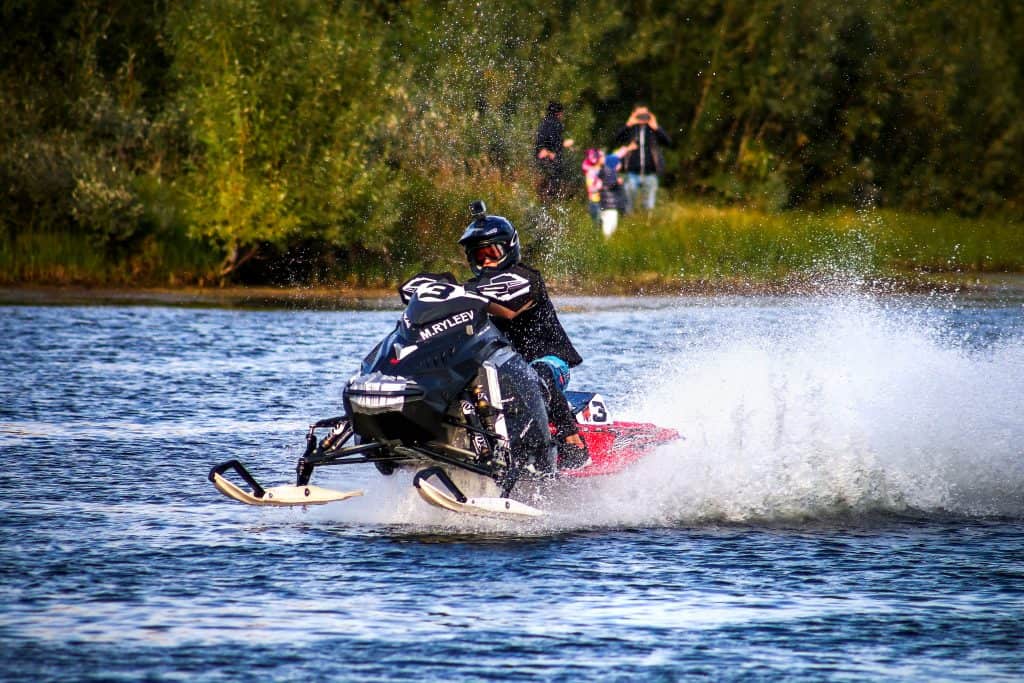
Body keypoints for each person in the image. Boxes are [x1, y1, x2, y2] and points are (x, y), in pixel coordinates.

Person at [459, 202, 590, 469]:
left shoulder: (527, 278)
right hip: (497, 370)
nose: (485, 261)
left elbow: (508, 312)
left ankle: (572, 438)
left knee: (534, 375)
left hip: (550, 363)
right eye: (478, 256)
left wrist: (466, 298)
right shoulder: (470, 288)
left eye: (491, 253)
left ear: (508, 249)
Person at [613, 104, 672, 212]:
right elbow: (616, 139)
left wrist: (656, 127)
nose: (642, 117)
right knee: (628, 203)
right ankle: (628, 222)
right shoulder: (630, 129)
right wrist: (628, 124)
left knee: (649, 206)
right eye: (639, 114)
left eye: (645, 114)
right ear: (633, 114)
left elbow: (668, 142)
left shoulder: (653, 129)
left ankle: (646, 224)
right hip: (632, 173)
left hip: (650, 173)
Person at [534, 101, 574, 203]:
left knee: (543, 188)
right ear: (558, 113)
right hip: (551, 161)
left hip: (541, 160)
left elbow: (541, 140)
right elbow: (553, 140)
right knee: (553, 187)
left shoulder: (544, 122)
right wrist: (565, 143)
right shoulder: (555, 123)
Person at [581, 148, 603, 225]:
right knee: (594, 215)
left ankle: (597, 226)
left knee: (598, 215)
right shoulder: (588, 166)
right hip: (593, 196)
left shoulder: (599, 166)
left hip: (599, 196)